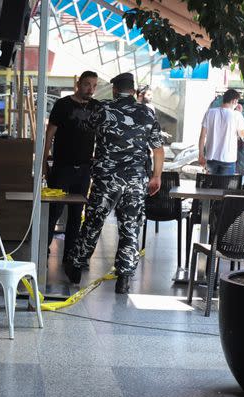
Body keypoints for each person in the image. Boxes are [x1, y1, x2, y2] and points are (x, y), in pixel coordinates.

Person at [64, 72, 165, 294]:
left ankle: (76, 268)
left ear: (114, 90)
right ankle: (124, 278)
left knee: (92, 222)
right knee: (130, 227)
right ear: (134, 91)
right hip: (135, 180)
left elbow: (84, 129)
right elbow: (158, 149)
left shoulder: (103, 109)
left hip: (105, 179)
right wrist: (156, 176)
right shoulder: (147, 113)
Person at [41, 71, 99, 264]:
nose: (90, 89)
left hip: (84, 169)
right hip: (61, 167)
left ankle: (70, 256)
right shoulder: (63, 104)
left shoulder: (96, 107)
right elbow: (49, 135)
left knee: (76, 214)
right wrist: (43, 163)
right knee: (54, 211)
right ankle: (43, 251)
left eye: (93, 85)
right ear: (78, 84)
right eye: (86, 84)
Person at [198, 89, 244, 175]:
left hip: (211, 158)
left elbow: (202, 137)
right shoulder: (237, 115)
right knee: (225, 187)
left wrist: (201, 155)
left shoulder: (209, 113)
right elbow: (242, 135)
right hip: (228, 159)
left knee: (210, 187)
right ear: (234, 101)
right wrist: (240, 113)